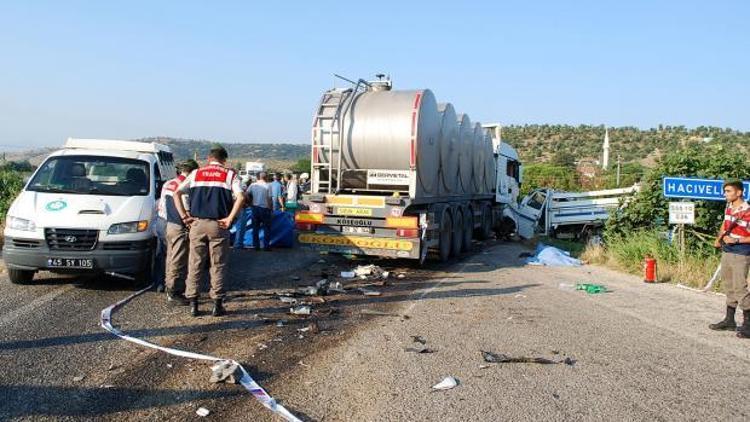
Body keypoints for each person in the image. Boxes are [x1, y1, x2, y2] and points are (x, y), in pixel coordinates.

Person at [174, 146, 245, 317]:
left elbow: (177, 193)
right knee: (218, 264)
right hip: (218, 225)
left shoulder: (196, 173)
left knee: (195, 263)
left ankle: (193, 304)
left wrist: (185, 217)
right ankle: (217, 304)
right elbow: (241, 196)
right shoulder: (230, 175)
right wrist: (229, 219)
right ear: (224, 160)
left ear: (208, 158)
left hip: (197, 224)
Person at [710, 180, 750, 338]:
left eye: (728, 191)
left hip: (741, 251)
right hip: (727, 250)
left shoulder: (747, 211)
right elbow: (725, 224)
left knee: (740, 287)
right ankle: (729, 320)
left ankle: (748, 324)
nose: (725, 194)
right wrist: (719, 238)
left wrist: (737, 240)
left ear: (739, 192)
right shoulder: (729, 207)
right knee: (728, 285)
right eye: (725, 191)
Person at [159, 159, 199, 305]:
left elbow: (162, 206)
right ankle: (174, 292)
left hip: (168, 224)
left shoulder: (168, 184)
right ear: (192, 172)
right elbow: (187, 208)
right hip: (180, 226)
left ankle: (168, 286)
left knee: (169, 257)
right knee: (178, 260)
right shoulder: (185, 187)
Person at [248, 172, 273, 251]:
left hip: (255, 208)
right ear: (265, 177)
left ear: (258, 177)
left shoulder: (252, 185)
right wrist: (271, 209)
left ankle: (256, 246)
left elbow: (246, 194)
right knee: (266, 228)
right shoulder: (268, 185)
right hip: (265, 209)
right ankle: (266, 246)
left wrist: (250, 202)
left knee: (255, 228)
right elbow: (269, 199)